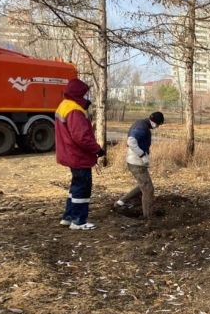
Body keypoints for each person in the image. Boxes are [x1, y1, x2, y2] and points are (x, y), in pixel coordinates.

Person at [55, 78, 105, 230]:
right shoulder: (75, 110)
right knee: (83, 188)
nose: (86, 97)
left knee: (76, 186)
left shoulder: (64, 105)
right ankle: (78, 221)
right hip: (78, 155)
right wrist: (97, 149)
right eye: (84, 94)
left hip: (70, 154)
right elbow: (81, 136)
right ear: (77, 93)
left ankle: (68, 217)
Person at [113, 111, 165, 218]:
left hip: (134, 161)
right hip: (136, 162)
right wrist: (142, 156)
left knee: (143, 185)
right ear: (154, 121)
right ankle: (148, 216)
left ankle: (120, 202)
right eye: (158, 124)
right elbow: (131, 141)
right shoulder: (142, 127)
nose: (158, 126)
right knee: (148, 190)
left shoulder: (141, 124)